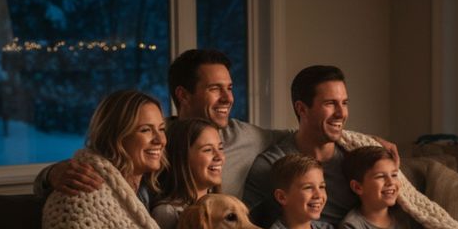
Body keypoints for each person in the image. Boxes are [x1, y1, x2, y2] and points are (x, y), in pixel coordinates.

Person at [34, 49, 288, 199]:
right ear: (183, 95)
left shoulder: (247, 136)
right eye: (215, 89)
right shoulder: (154, 139)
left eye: (230, 88)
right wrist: (51, 175)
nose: (228, 98)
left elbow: (302, 137)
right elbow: (99, 162)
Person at [243, 65, 361, 228]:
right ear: (302, 109)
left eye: (344, 103)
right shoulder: (272, 165)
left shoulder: (355, 159)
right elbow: (248, 228)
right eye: (330, 103)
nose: (341, 113)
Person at [86, 89, 167, 207]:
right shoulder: (89, 194)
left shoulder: (144, 190)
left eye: (161, 129)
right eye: (145, 130)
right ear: (115, 136)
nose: (160, 140)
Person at [151, 118, 224, 229]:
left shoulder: (226, 207)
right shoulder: (167, 213)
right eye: (208, 150)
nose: (219, 156)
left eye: (220, 148)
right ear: (182, 158)